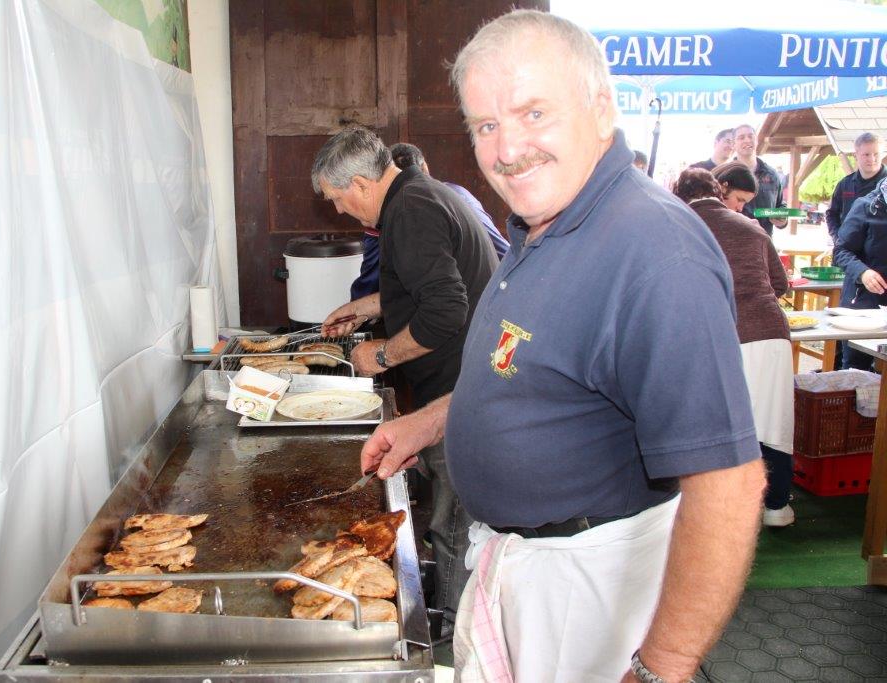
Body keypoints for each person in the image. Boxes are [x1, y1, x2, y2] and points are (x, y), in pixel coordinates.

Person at [357, 10, 765, 682]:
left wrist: (661, 667)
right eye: (486, 125)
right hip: (523, 568)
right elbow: (528, 377)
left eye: (534, 113)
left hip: (586, 588)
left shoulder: (656, 251)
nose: (507, 148)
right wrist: (425, 423)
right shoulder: (540, 223)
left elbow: (729, 484)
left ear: (601, 108)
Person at [312, 125, 498, 635]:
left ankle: (453, 627)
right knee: (447, 510)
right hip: (456, 380)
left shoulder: (411, 210)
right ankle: (451, 608)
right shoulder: (416, 196)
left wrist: (382, 355)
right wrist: (365, 307)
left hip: (459, 390)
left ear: (359, 183)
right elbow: (421, 289)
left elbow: (445, 311)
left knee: (453, 519)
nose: (338, 210)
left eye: (337, 199)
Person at [674, 168, 795, 528]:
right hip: (770, 331)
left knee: (716, 423)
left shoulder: (678, 224)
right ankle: (776, 507)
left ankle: (714, 510)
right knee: (772, 422)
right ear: (719, 191)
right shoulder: (752, 227)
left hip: (717, 335)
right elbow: (780, 284)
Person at [350, 142, 508, 299]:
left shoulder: (398, 211)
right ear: (424, 167)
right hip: (502, 284)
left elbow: (371, 282)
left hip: (473, 300)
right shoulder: (458, 194)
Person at [833, 177, 887, 371]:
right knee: (856, 369)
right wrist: (863, 272)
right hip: (862, 303)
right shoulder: (865, 206)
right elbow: (840, 251)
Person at [826, 133, 886, 242]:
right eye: (866, 154)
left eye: (876, 154)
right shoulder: (845, 184)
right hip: (848, 249)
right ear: (856, 155)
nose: (872, 159)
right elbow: (832, 214)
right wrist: (838, 238)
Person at [733, 123, 788, 235]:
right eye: (741, 137)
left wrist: (783, 220)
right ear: (733, 144)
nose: (747, 140)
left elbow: (780, 204)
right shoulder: (725, 175)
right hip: (734, 240)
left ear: (756, 140)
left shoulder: (771, 174)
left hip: (764, 240)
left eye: (750, 136)